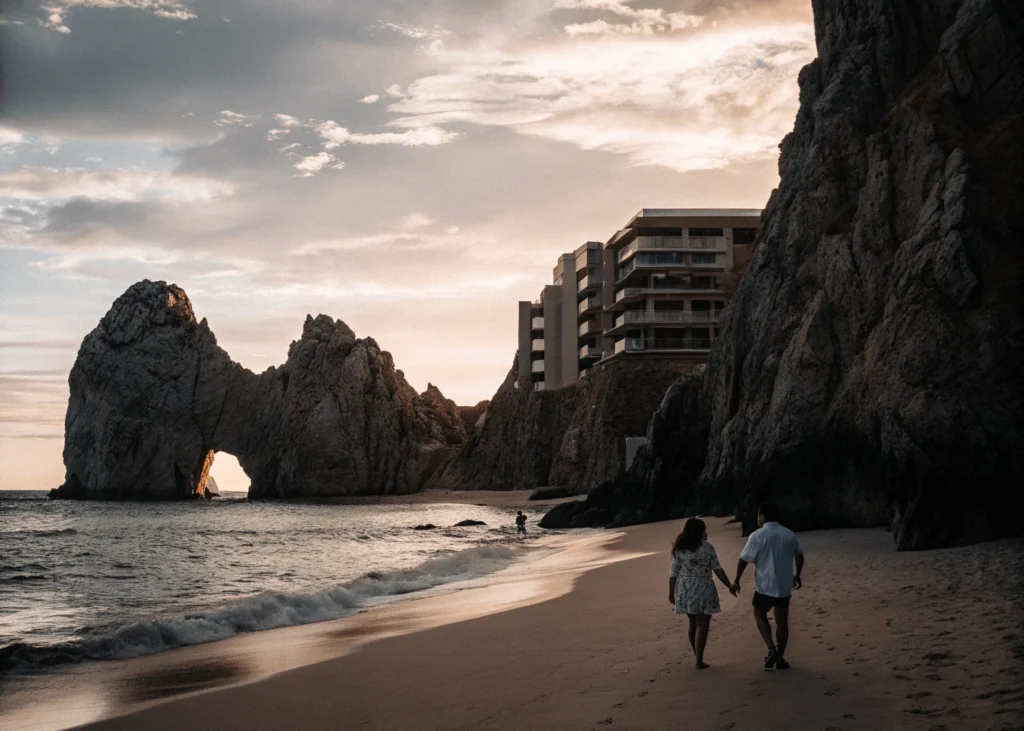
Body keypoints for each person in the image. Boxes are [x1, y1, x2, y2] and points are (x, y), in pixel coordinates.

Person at [731, 501, 805, 670]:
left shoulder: (757, 536)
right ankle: (780, 657)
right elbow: (800, 555)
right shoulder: (788, 534)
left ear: (762, 517)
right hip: (784, 586)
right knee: (782, 623)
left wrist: (737, 580)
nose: (757, 519)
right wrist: (797, 575)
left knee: (758, 613)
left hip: (765, 585)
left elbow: (744, 559)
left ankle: (771, 648)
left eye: (758, 516)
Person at [668, 517, 737, 669]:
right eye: (704, 530)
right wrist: (729, 585)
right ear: (700, 532)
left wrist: (671, 593)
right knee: (703, 624)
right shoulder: (707, 547)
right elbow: (717, 569)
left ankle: (697, 656)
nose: (706, 532)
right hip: (703, 586)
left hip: (685, 587)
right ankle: (699, 660)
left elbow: (673, 573)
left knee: (693, 623)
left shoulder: (680, 548)